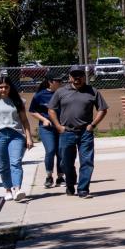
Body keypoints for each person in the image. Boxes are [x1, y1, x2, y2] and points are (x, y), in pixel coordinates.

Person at [46, 66, 109, 198]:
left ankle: (83, 189)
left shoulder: (92, 91)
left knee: (87, 161)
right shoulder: (61, 92)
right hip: (66, 132)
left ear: (84, 77)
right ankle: (70, 183)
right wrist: (58, 126)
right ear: (70, 77)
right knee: (65, 163)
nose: (77, 78)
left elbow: (102, 109)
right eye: (74, 76)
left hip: (85, 132)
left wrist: (93, 125)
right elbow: (51, 109)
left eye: (80, 75)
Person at [0, 75, 39, 203]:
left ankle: (17, 189)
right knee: (3, 164)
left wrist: (29, 138)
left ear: (10, 88)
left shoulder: (18, 101)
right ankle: (8, 190)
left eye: (6, 87)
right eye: (1, 87)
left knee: (15, 162)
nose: (3, 89)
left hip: (15, 135)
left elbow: (24, 121)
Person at [29, 72, 61, 188]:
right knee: (51, 150)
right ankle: (49, 176)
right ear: (50, 82)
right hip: (47, 128)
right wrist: (43, 119)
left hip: (61, 127)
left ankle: (61, 177)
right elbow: (32, 111)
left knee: (61, 151)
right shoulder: (40, 95)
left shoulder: (63, 93)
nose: (60, 83)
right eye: (57, 81)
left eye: (61, 81)